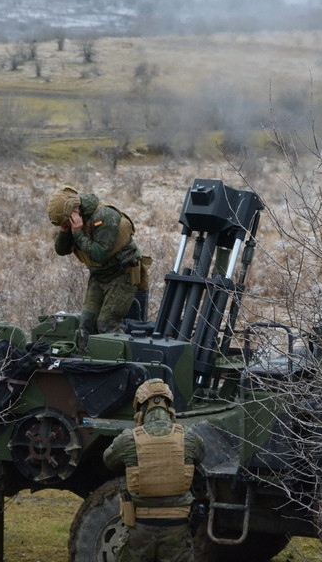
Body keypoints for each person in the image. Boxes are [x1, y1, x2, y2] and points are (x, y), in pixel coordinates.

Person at [103, 379, 204, 562]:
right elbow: (200, 456)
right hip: (178, 527)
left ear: (140, 409)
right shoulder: (189, 437)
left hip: (140, 525)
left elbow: (109, 460)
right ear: (169, 407)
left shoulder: (128, 439)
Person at [47, 186, 148, 339]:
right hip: (99, 276)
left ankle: (126, 359)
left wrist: (78, 233)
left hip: (122, 275)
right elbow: (61, 250)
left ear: (75, 212)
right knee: (86, 323)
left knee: (106, 324)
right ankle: (86, 360)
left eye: (66, 222)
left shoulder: (105, 216)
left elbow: (98, 254)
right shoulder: (73, 222)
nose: (67, 225)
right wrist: (65, 230)